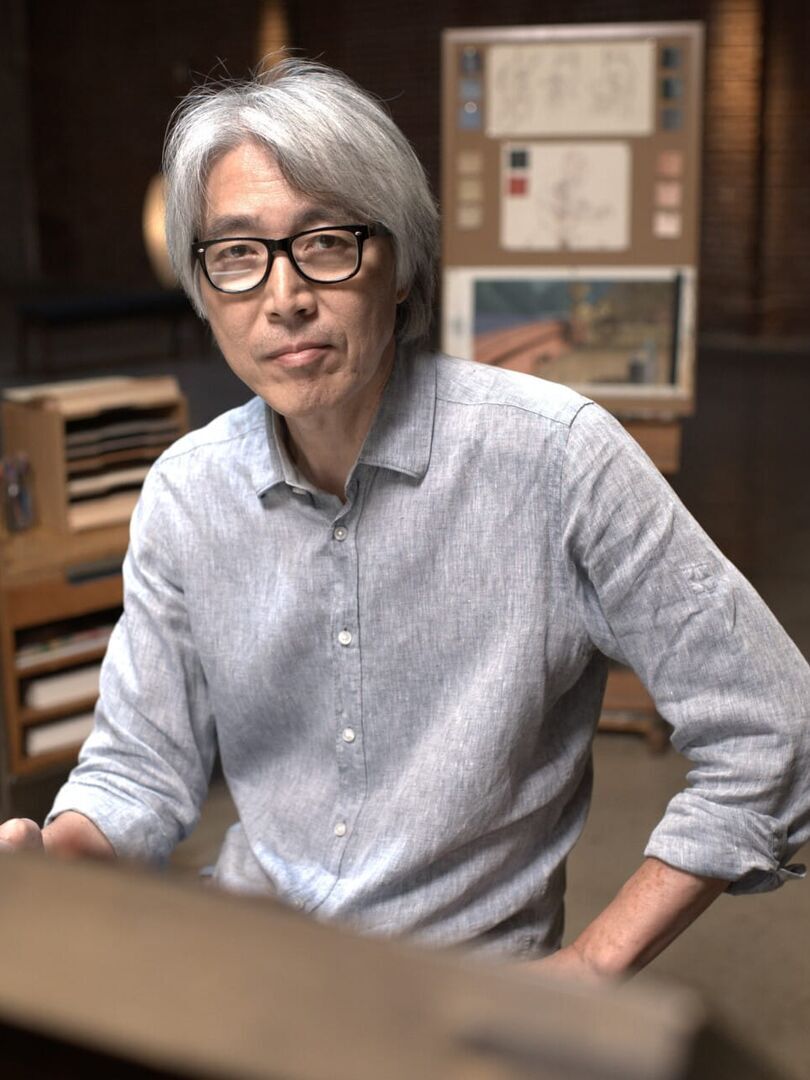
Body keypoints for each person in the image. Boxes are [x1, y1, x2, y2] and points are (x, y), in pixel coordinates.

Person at [2, 59, 808, 978]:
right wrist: (54, 855)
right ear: (204, 286)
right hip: (251, 964)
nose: (284, 297)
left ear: (399, 263)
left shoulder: (556, 457)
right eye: (237, 255)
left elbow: (773, 726)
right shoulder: (186, 493)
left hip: (459, 997)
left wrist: (590, 972)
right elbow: (141, 766)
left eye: (326, 242)